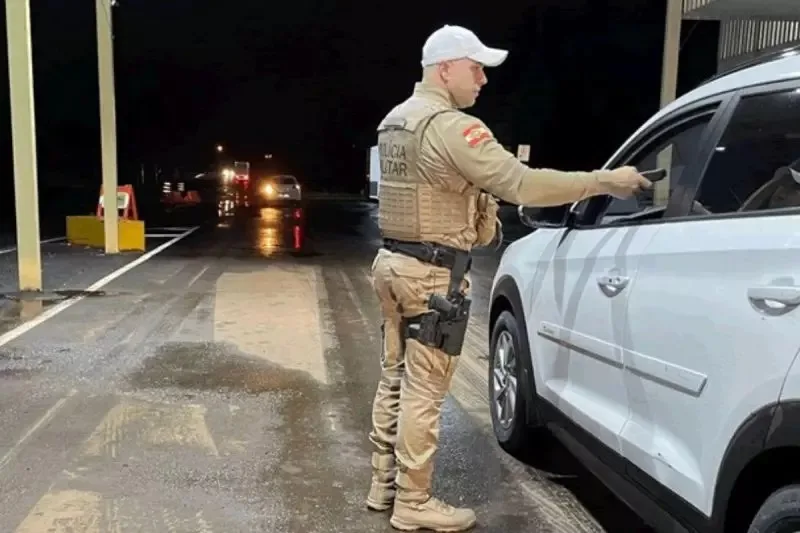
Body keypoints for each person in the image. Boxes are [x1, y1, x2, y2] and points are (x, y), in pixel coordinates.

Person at [366, 24, 651, 532]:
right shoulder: (452, 127)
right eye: (475, 68)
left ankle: (383, 483)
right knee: (424, 391)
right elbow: (522, 184)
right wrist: (605, 181)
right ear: (446, 68)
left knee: (395, 376)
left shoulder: (397, 121)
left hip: (392, 265)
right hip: (431, 277)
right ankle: (413, 502)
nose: (483, 80)